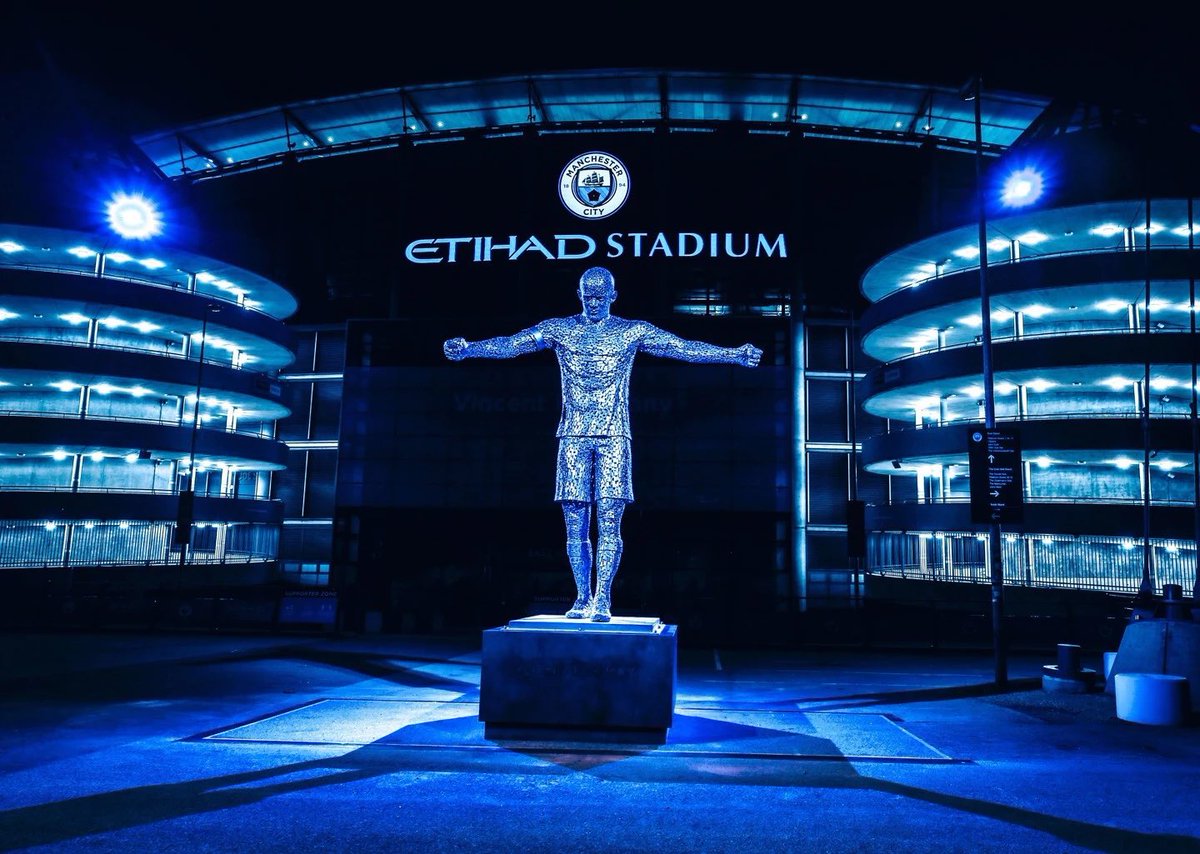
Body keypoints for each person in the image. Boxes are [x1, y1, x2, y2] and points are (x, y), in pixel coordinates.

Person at [443, 266, 762, 622]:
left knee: (610, 521)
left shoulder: (631, 331)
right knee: (574, 523)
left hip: (613, 436)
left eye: (600, 296)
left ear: (613, 295)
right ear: (579, 295)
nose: (594, 302)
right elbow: (513, 345)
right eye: (588, 296)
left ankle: (603, 598)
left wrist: (732, 354)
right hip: (573, 434)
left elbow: (682, 349)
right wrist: (470, 349)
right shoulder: (560, 329)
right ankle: (581, 597)